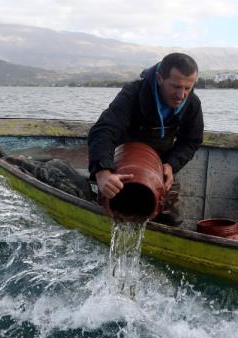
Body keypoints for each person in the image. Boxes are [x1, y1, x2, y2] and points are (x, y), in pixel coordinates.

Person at [87, 52, 204, 225]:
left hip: (159, 169)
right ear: (159, 78)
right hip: (122, 168)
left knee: (172, 221)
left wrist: (172, 164)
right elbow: (103, 130)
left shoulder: (192, 103)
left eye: (188, 88)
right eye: (176, 87)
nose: (181, 95)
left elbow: (191, 140)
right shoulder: (132, 94)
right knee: (111, 211)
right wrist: (102, 172)